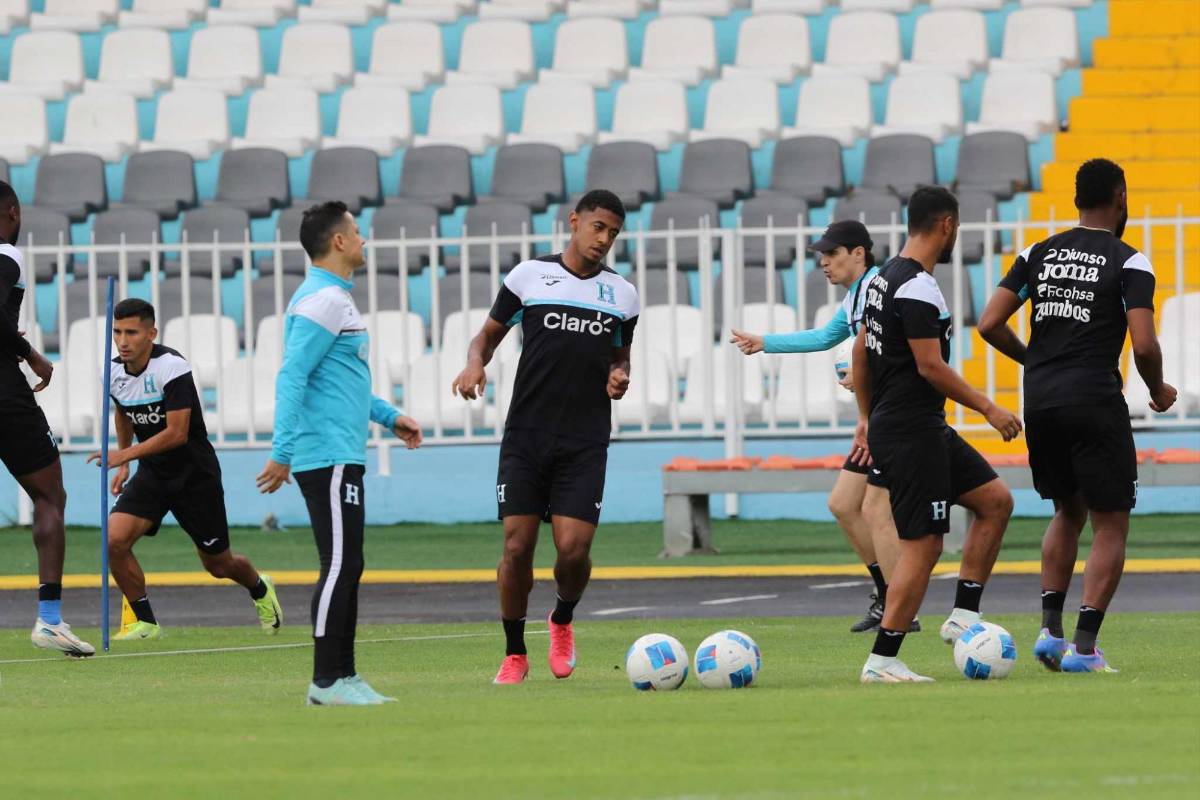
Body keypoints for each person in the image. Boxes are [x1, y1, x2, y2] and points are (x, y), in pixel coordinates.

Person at [978, 158, 1176, 674]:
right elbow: (1145, 343)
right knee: (1111, 522)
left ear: (1075, 201)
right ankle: (1084, 651)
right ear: (1121, 197)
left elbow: (990, 322)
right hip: (1093, 399)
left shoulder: (1036, 254)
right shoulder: (1130, 262)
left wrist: (1036, 362)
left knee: (1068, 510)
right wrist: (1157, 388)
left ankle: (1049, 632)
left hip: (1041, 400)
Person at [451, 189, 639, 685]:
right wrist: (475, 364)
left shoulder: (622, 294)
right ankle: (515, 652)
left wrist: (620, 376)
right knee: (516, 548)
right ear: (574, 221)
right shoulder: (529, 276)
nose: (604, 240)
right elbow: (486, 336)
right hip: (527, 434)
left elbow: (620, 356)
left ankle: (561, 618)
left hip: (585, 437)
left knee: (573, 550)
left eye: (614, 234)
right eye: (598, 227)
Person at [257, 201, 423, 706]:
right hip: (324, 455)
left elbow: (344, 384)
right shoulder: (322, 302)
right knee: (339, 564)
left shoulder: (335, 299)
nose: (364, 239)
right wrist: (282, 451)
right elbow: (293, 375)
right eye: (357, 231)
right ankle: (327, 681)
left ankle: (344, 678)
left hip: (341, 452)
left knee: (348, 563)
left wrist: (390, 417)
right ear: (338, 242)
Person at [853, 186, 1021, 683]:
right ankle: (882, 660)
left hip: (912, 424)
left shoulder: (881, 279)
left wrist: (867, 417)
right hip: (911, 431)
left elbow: (861, 352)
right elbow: (930, 367)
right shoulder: (919, 287)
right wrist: (989, 406)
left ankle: (963, 617)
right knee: (924, 545)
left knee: (995, 501)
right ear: (947, 225)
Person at [730, 220, 915, 634]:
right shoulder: (856, 297)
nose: (824, 263)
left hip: (893, 416)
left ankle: (902, 607)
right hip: (875, 416)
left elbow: (903, 345)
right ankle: (889, 597)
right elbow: (825, 337)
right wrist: (765, 342)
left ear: (858, 254)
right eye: (822, 256)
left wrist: (863, 375)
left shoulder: (879, 288)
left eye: (831, 254)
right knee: (845, 505)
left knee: (872, 509)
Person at [89, 299, 282, 641]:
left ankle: (259, 587)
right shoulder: (113, 371)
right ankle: (145, 622)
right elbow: (123, 412)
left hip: (194, 475)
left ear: (151, 333)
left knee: (218, 565)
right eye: (117, 332)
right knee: (113, 540)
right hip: (153, 473)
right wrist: (126, 459)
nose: (122, 340)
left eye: (131, 332)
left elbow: (177, 434)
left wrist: (125, 455)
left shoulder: (172, 367)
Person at [0, 180, 93, 657]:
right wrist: (32, 354)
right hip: (4, 392)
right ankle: (50, 620)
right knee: (49, 494)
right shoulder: (7, 254)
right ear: (12, 212)